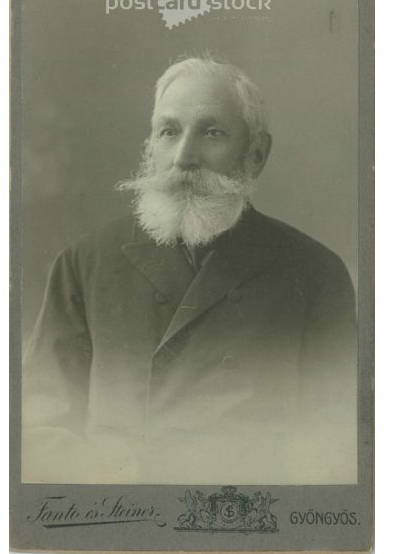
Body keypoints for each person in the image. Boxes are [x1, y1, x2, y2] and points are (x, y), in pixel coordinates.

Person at [22, 57, 357, 485]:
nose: (184, 157)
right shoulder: (83, 264)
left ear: (256, 153)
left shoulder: (315, 273)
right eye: (169, 132)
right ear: (151, 145)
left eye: (212, 133)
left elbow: (335, 434)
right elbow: (39, 421)